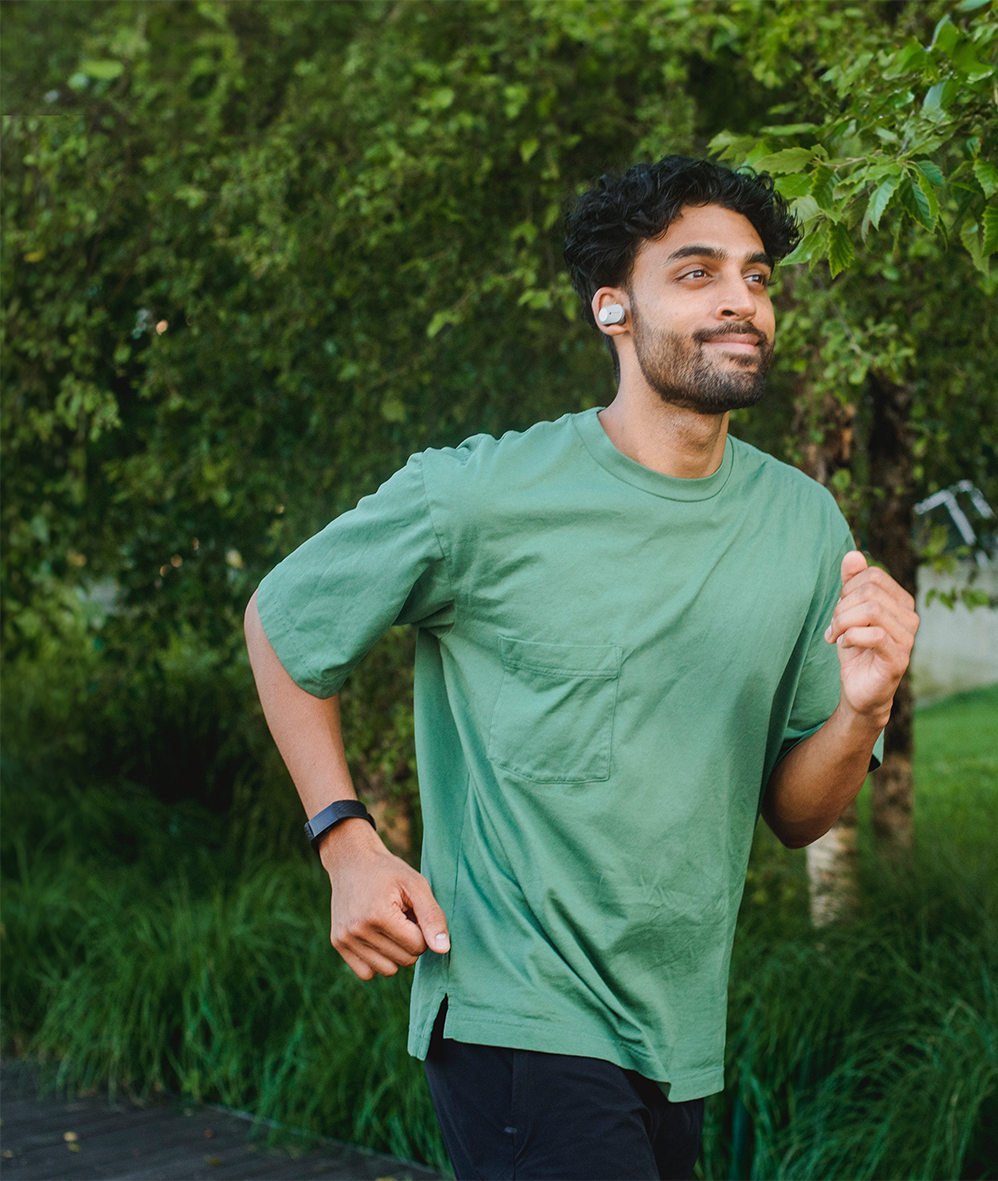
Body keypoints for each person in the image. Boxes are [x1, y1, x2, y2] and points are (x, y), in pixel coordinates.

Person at [244, 155, 918, 1181]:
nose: (741, 298)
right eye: (695, 273)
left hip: (678, 1029)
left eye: (755, 275)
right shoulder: (479, 496)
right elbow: (286, 624)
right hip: (515, 1012)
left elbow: (795, 813)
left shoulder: (801, 524)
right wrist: (344, 841)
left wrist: (862, 711)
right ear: (612, 307)